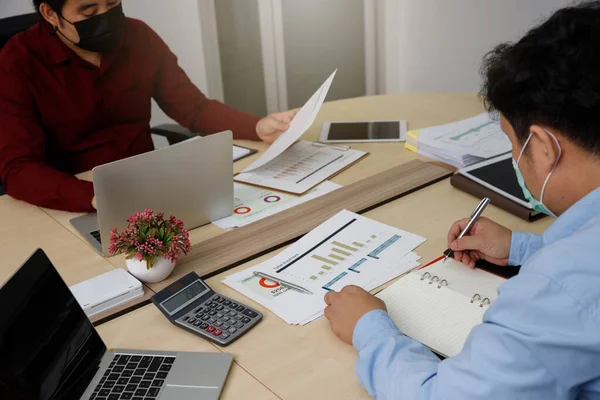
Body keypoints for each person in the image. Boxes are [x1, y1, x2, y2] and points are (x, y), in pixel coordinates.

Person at [325, 2, 600, 399]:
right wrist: (524, 247)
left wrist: (369, 328)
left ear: (543, 147)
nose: (515, 159)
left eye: (511, 142)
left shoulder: (562, 286)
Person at [0, 0, 297, 212]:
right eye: (89, 10)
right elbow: (18, 169)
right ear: (50, 13)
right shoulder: (17, 62)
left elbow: (192, 107)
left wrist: (257, 126)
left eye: (112, 4)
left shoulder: (138, 36)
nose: (105, 17)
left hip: (150, 190)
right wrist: (95, 197)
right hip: (75, 203)